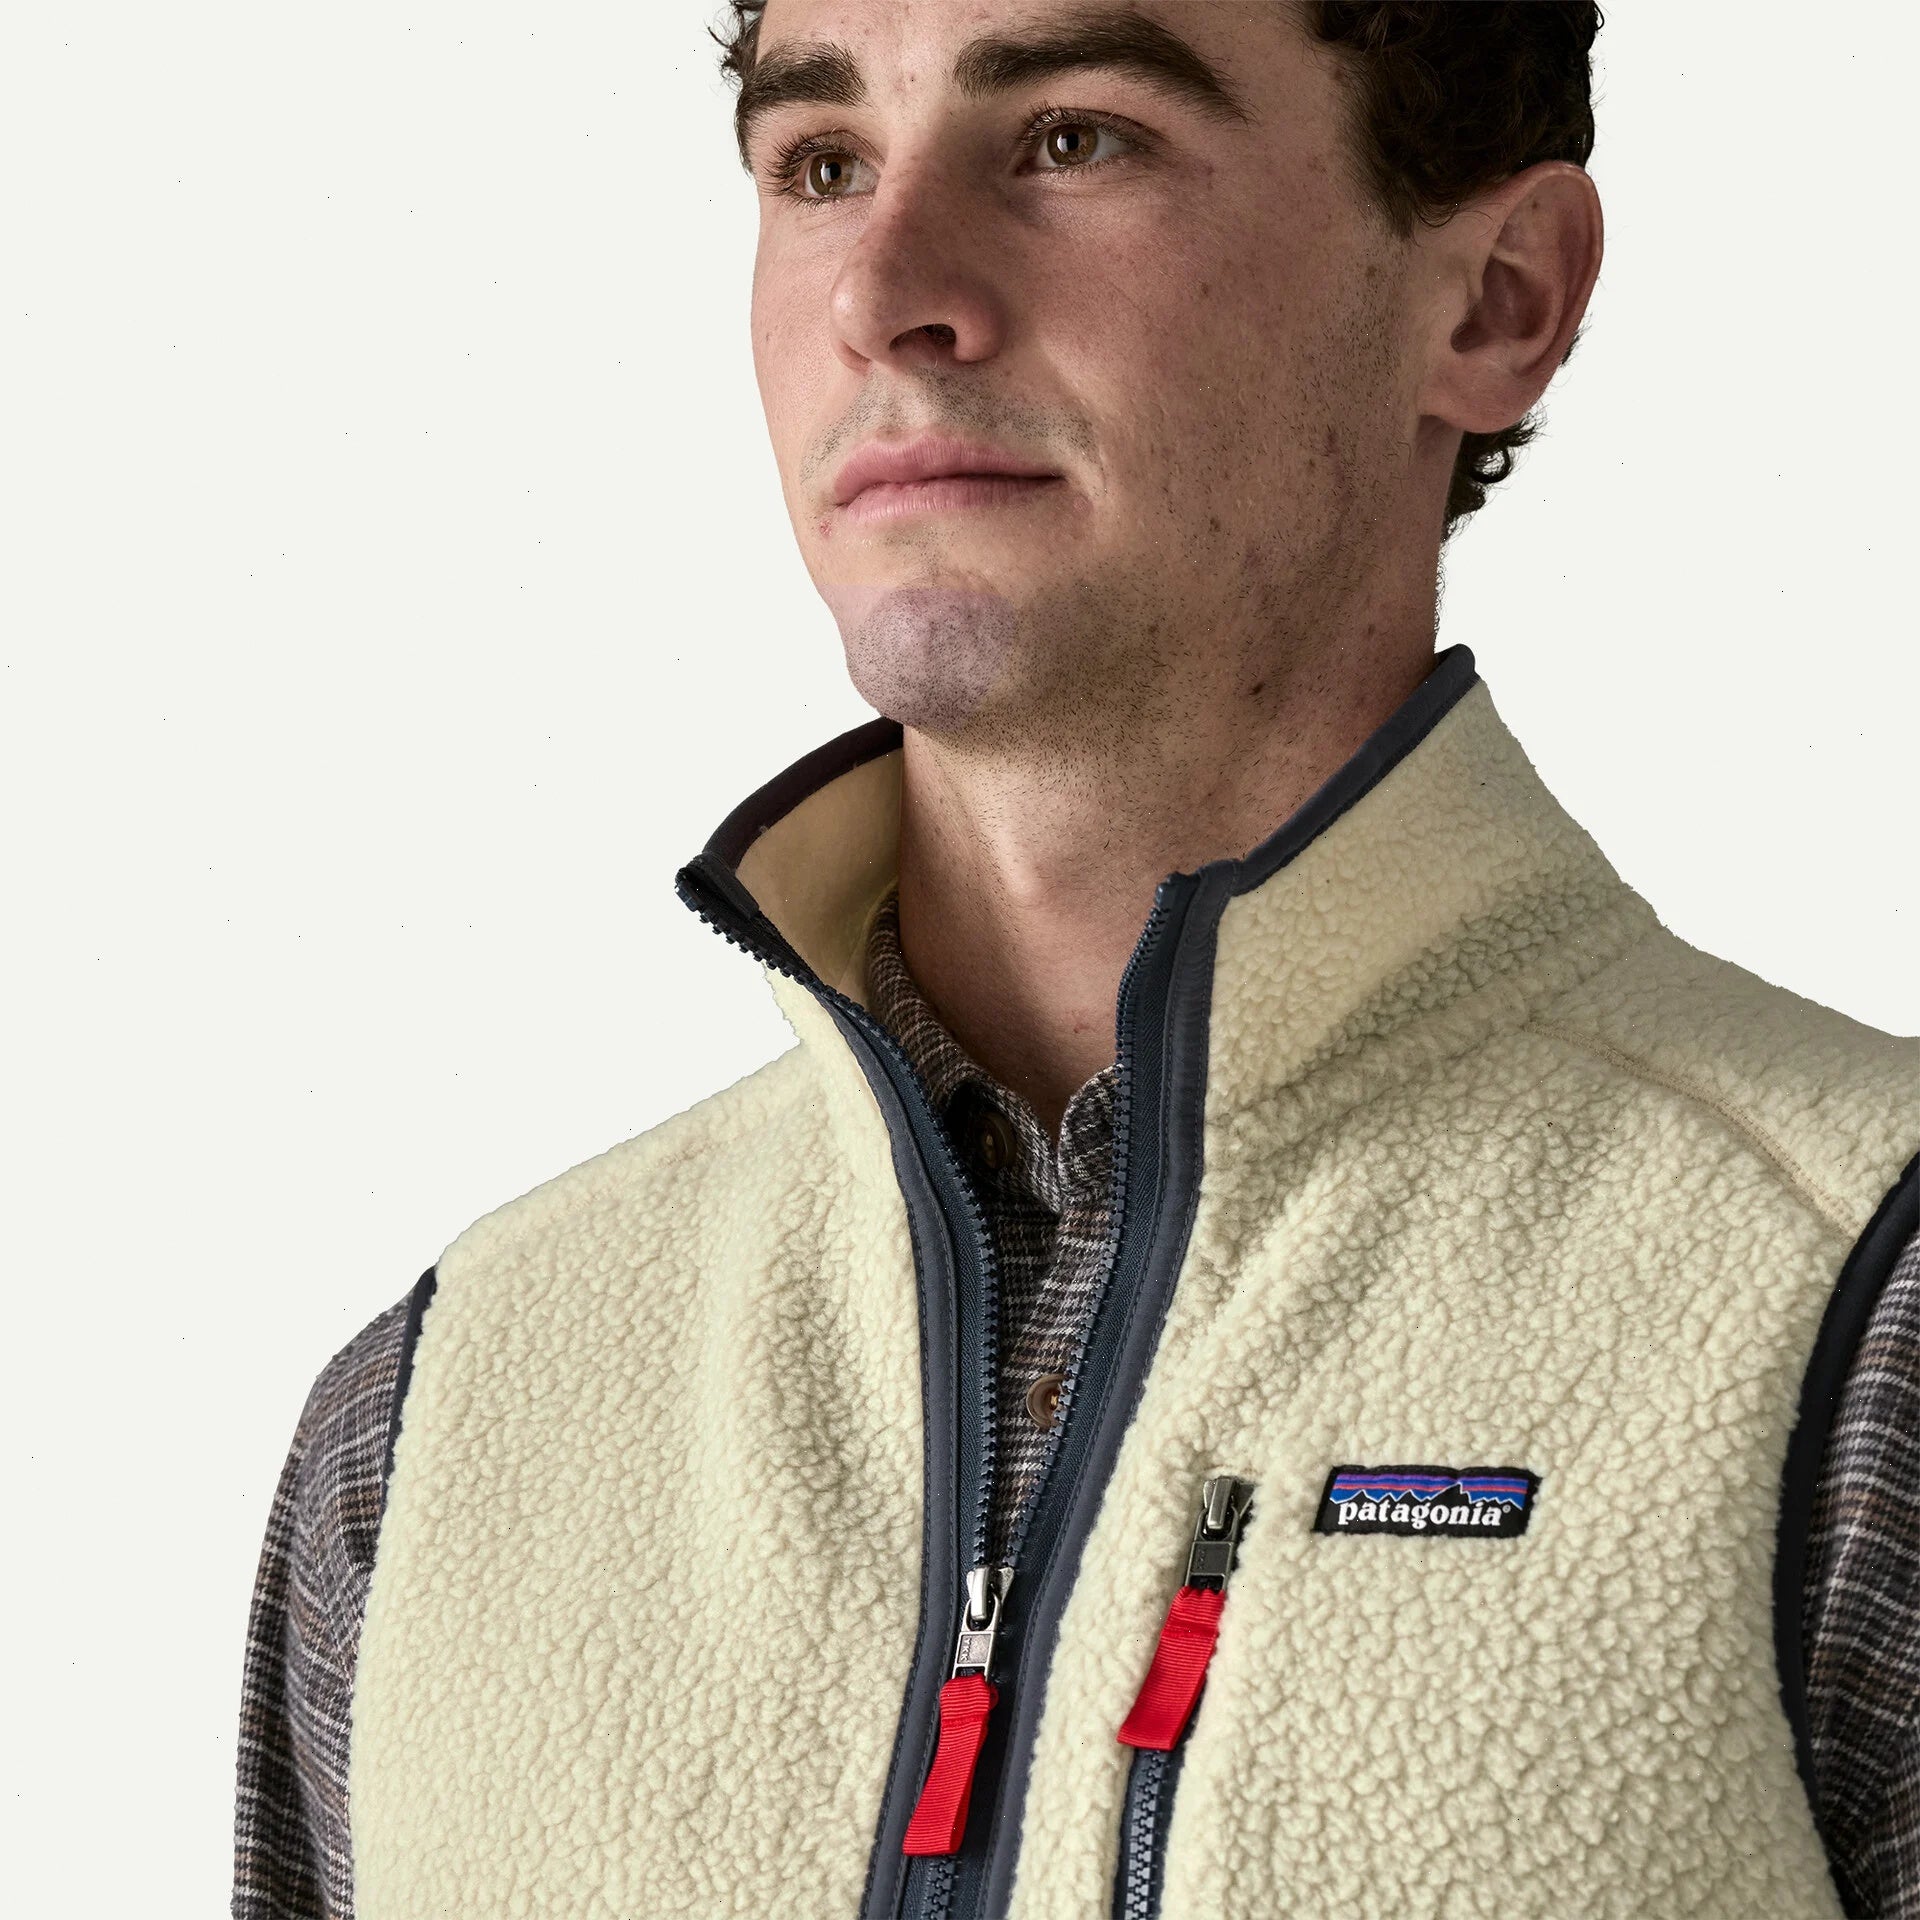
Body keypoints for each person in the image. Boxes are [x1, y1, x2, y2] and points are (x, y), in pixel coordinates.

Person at [232, 4, 1918, 1917]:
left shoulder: (1860, 1324)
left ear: (1497, 297)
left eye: (1072, 138)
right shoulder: (441, 1429)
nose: (885, 295)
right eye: (821, 164)